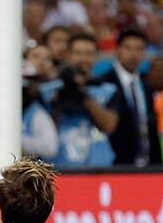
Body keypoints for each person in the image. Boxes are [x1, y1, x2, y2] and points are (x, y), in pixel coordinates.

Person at [92, 28, 161, 165]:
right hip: (116, 164)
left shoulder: (146, 84)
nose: (134, 54)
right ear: (118, 50)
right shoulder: (104, 82)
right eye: (128, 48)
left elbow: (151, 126)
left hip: (147, 165)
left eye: (139, 49)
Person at [49, 32, 120, 168]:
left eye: (89, 54)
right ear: (68, 56)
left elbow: (108, 126)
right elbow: (46, 127)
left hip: (98, 167)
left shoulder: (108, 89)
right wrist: (63, 94)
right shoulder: (51, 89)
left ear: (96, 57)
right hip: (57, 166)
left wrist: (83, 94)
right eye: (78, 53)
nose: (83, 58)